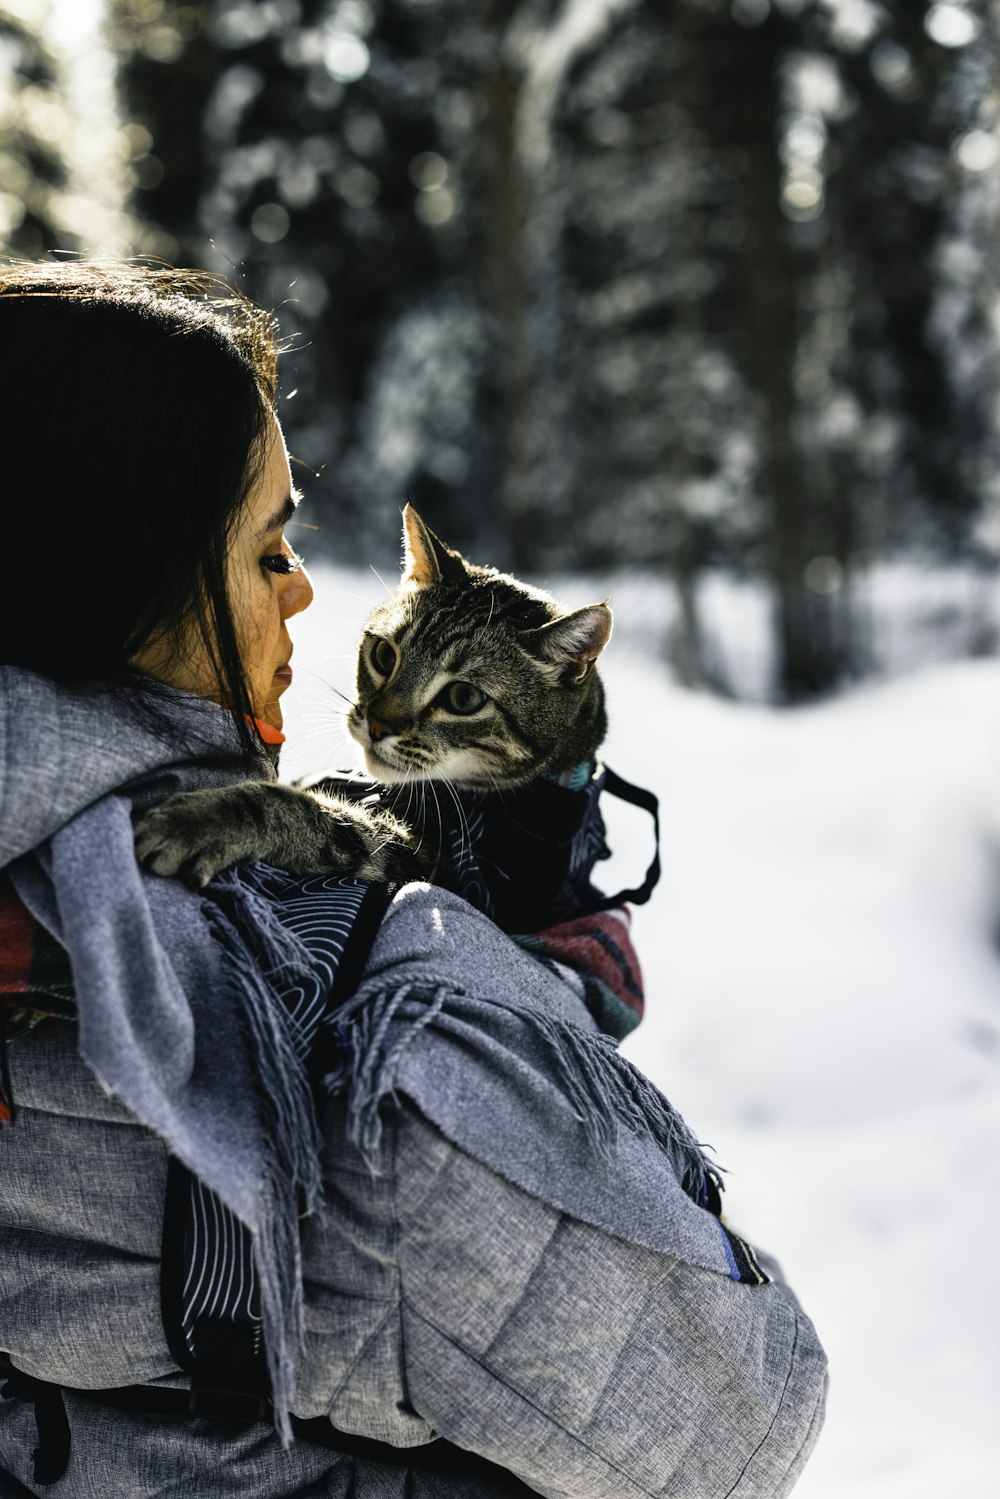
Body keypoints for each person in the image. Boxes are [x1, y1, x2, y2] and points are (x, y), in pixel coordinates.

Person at [0, 261, 827, 1498]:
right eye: (268, 543)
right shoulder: (362, 1031)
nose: (304, 589)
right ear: (122, 566)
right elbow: (745, 1410)